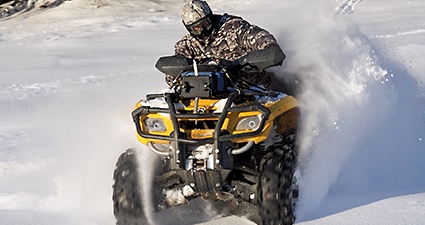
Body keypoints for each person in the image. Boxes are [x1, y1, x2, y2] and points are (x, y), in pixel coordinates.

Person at [165, 0, 285, 87]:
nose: (202, 30)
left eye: (205, 24)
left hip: (252, 89)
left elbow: (259, 37)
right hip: (206, 97)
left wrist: (270, 49)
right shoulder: (186, 45)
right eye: (196, 28)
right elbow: (173, 75)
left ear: (210, 17)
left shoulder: (234, 28)